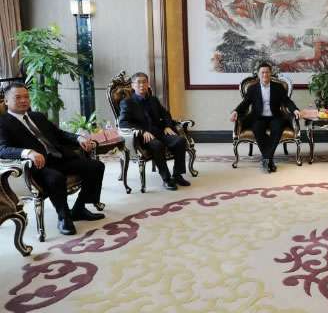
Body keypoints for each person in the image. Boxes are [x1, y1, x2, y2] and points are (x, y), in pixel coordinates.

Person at [0, 83, 105, 236]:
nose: (23, 100)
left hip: (57, 158)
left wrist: (78, 138)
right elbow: (2, 149)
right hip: (35, 166)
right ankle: (64, 217)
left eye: (26, 97)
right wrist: (27, 152)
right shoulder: (3, 123)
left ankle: (79, 208)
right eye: (18, 97)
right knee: (56, 178)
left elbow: (59, 134)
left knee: (96, 166)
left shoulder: (37, 116)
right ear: (6, 101)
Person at [119, 72, 189, 190]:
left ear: (148, 84)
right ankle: (166, 179)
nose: (142, 85)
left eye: (144, 82)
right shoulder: (127, 102)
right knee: (157, 145)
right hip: (143, 137)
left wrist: (167, 126)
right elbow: (123, 122)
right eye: (138, 82)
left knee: (180, 141)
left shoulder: (153, 99)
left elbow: (165, 114)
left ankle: (177, 175)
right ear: (133, 85)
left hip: (159, 131)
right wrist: (141, 131)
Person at [229, 63, 300, 173]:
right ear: (258, 74)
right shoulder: (252, 88)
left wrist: (295, 110)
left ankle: (266, 159)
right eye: (262, 72)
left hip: (275, 116)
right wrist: (235, 111)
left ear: (270, 73)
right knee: (257, 128)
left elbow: (287, 101)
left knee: (277, 128)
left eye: (267, 72)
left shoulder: (278, 87)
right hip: (258, 117)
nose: (265, 74)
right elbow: (245, 103)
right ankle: (269, 160)